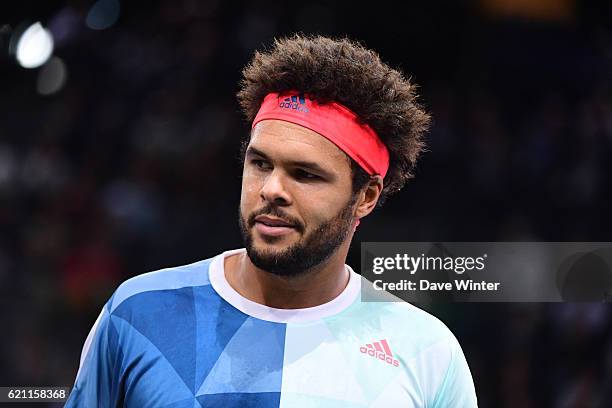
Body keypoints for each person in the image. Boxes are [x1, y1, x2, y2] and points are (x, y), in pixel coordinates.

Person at [65, 34, 478, 407]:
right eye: (260, 163)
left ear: (365, 197)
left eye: (305, 174)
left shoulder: (427, 352)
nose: (272, 189)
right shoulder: (137, 314)